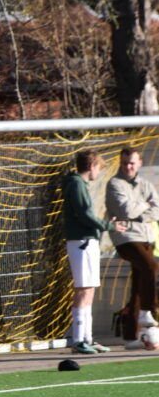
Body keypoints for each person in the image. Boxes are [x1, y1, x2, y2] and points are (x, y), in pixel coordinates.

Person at [62, 150, 125, 355]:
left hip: (87, 242)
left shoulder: (79, 184)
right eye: (98, 167)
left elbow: (86, 216)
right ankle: (78, 340)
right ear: (91, 166)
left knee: (89, 289)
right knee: (83, 289)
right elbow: (84, 215)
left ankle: (87, 338)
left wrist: (104, 224)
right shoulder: (76, 184)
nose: (98, 172)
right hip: (82, 242)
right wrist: (109, 226)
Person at [105, 145, 159, 344]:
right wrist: (145, 205)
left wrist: (141, 214)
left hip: (146, 236)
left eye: (132, 163)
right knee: (151, 267)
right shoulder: (114, 184)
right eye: (125, 163)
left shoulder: (146, 184)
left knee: (139, 282)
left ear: (139, 163)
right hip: (125, 237)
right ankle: (148, 311)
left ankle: (130, 336)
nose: (128, 167)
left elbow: (157, 209)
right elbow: (125, 211)